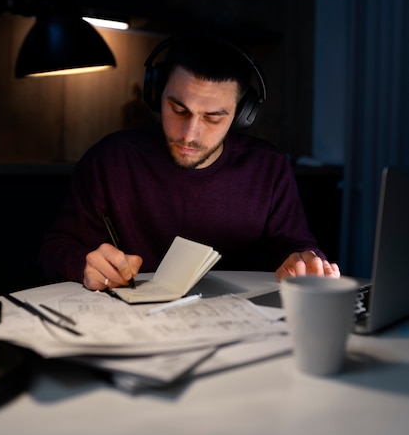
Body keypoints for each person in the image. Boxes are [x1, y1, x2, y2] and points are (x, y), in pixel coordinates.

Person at [38, 34, 340, 291]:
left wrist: (305, 261)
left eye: (213, 117)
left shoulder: (268, 169)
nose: (189, 134)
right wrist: (83, 264)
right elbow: (56, 246)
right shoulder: (110, 160)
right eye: (178, 109)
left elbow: (297, 247)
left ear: (242, 115)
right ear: (156, 93)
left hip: (237, 326)